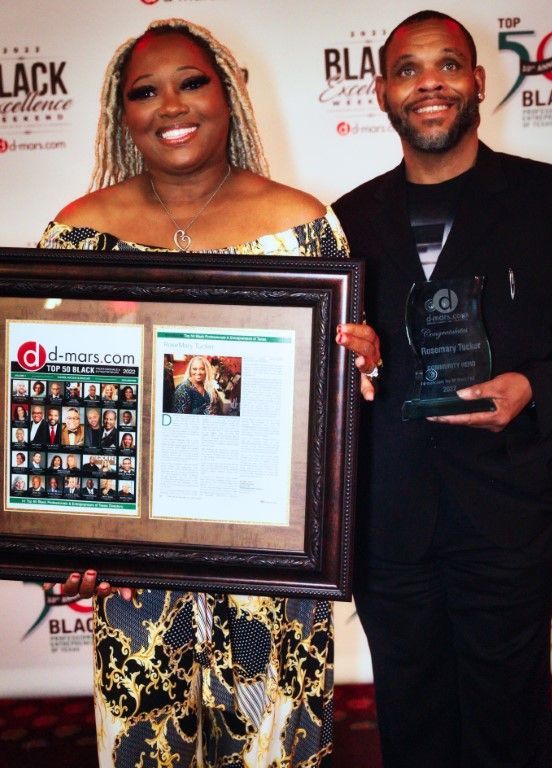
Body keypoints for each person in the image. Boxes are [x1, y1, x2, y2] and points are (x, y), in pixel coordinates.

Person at [39, 17, 379, 768]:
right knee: (147, 747)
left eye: (191, 82)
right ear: (120, 114)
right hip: (139, 570)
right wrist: (67, 534)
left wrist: (363, 366)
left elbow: (338, 403)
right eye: (145, 91)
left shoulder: (305, 227)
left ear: (227, 95)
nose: (171, 105)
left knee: (271, 749)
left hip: (275, 569)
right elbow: (64, 406)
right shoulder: (77, 235)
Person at [332, 10, 552, 768]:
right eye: (407, 69)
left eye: (446, 65)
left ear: (476, 81)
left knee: (508, 721)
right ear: (381, 93)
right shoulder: (344, 220)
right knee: (411, 720)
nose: (428, 82)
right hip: (386, 520)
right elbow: (327, 371)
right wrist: (353, 362)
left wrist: (537, 386)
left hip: (508, 510)